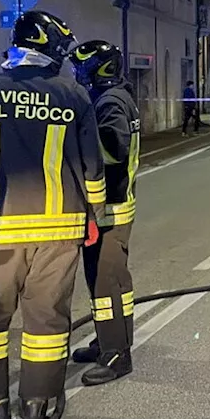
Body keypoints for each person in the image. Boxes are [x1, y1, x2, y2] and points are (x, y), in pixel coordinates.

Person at [0, 10, 104, 419]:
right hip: (59, 231)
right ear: (48, 47)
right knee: (47, 319)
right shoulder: (74, 95)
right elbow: (93, 168)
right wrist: (95, 217)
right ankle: (38, 402)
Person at [67, 40, 140, 385]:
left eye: (82, 66)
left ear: (99, 68)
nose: (77, 73)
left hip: (109, 210)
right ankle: (107, 341)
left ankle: (116, 355)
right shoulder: (115, 97)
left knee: (107, 283)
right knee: (105, 281)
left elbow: (114, 150)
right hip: (110, 208)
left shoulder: (109, 102)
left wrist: (78, 141)